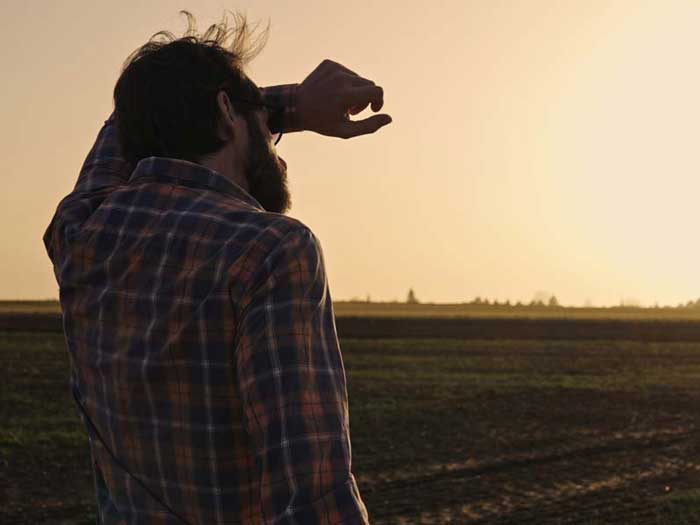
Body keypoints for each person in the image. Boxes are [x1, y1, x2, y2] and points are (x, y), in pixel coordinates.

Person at [43, 11, 391, 524]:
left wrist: (268, 107)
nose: (277, 150)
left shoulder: (81, 235)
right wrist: (285, 106)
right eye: (268, 131)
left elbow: (127, 123)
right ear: (226, 112)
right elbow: (312, 495)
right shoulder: (270, 249)